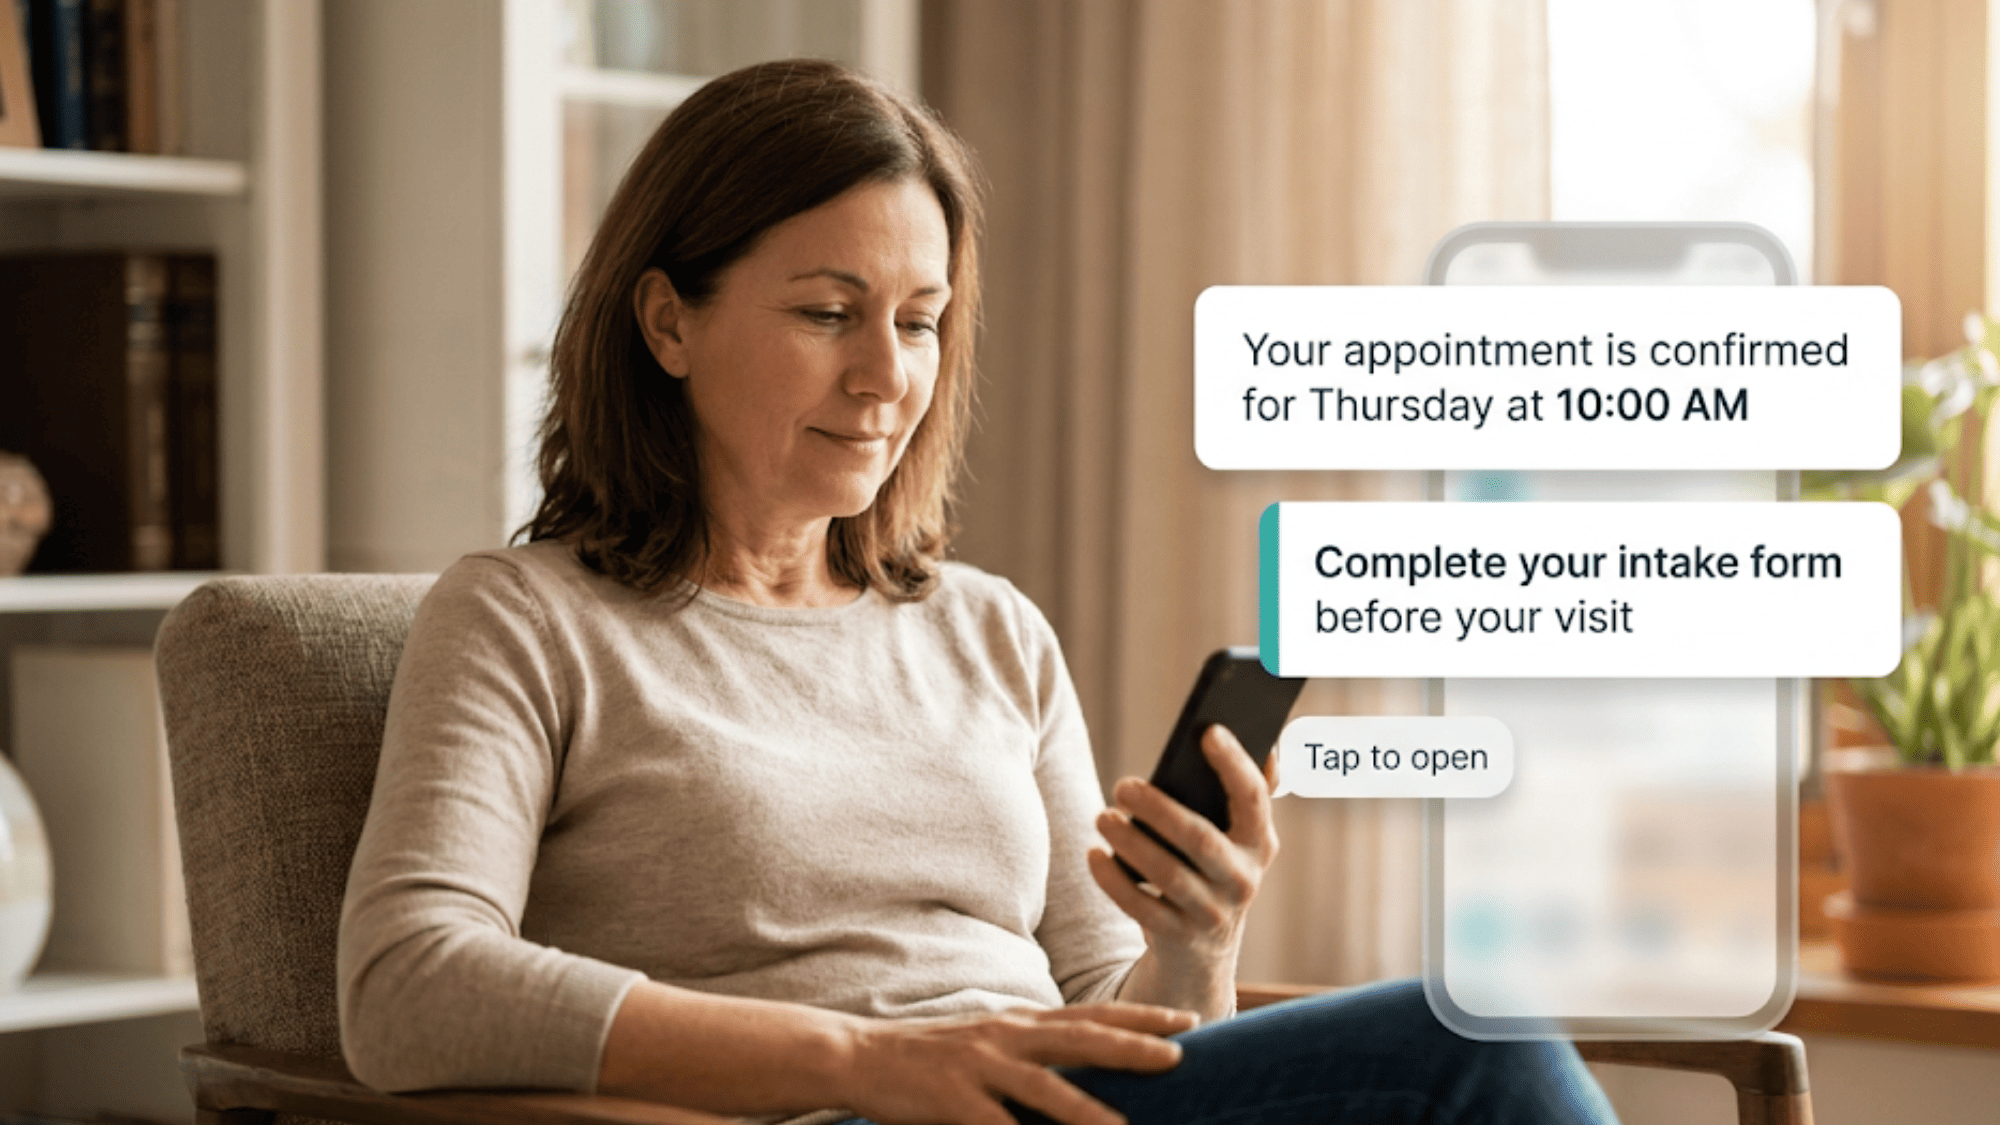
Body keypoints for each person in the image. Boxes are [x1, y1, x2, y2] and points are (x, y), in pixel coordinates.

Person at [337, 58, 1617, 1125]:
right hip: (832, 1114)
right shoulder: (525, 620)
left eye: (918, 320)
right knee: (1477, 1049)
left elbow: (1113, 1016)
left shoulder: (986, 629)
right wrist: (868, 1063)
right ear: (667, 323)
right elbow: (406, 986)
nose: (886, 377)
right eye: (828, 312)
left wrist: (1192, 941)